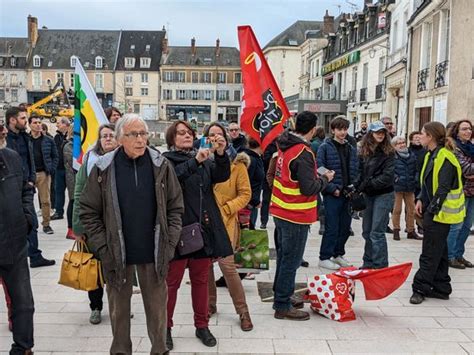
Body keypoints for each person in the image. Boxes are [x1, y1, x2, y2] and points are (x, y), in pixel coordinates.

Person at [79, 114, 184, 354]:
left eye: (143, 134)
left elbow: (176, 207)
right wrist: (103, 248)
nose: (140, 140)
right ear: (118, 139)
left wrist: (169, 244)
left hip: (154, 251)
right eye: (133, 135)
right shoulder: (103, 168)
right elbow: (88, 210)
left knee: (158, 311)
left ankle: (159, 350)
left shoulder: (161, 165)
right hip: (116, 252)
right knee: (118, 312)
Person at [163, 120, 232, 349]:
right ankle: (165, 328)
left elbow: (221, 175)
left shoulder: (203, 159)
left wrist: (221, 154)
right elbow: (171, 180)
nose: (186, 136)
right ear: (172, 139)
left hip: (202, 231)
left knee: (201, 282)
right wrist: (195, 161)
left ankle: (202, 325)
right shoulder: (165, 161)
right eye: (181, 133)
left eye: (189, 133)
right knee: (171, 284)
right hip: (178, 233)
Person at [270, 111, 333, 321]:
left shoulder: (285, 145)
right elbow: (309, 188)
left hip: (280, 210)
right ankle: (282, 305)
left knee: (284, 258)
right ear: (313, 129)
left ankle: (282, 295)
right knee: (291, 260)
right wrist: (325, 178)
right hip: (295, 214)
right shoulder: (303, 152)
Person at [410, 122, 466, 304]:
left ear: (431, 137)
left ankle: (420, 287)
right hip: (434, 210)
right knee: (440, 250)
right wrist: (420, 198)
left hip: (440, 213)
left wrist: (431, 210)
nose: (420, 136)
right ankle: (442, 287)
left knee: (430, 252)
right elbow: (426, 182)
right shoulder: (431, 155)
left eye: (423, 133)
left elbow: (442, 188)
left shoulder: (445, 157)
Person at [206, 123, 254, 331]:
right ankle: (209, 305)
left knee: (228, 269)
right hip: (204, 223)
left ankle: (243, 311)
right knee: (205, 269)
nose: (216, 138)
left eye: (219, 135)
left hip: (225, 223)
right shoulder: (201, 161)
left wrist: (227, 209)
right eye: (211, 135)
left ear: (225, 138)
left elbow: (245, 194)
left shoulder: (237, 164)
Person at [73, 124, 118, 324]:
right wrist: (78, 227)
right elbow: (78, 194)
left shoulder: (125, 160)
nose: (108, 139)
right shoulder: (90, 162)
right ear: (99, 140)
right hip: (94, 225)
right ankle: (96, 307)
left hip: (118, 225)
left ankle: (119, 306)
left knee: (118, 267)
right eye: (104, 136)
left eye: (111, 136)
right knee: (94, 269)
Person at [0, 123, 35, 355]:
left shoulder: (10, 157)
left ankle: (22, 349)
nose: (3, 132)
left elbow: (25, 188)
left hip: (14, 241)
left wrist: (27, 218)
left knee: (24, 304)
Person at [6, 107, 55, 268]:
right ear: (12, 120)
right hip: (8, 189)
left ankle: (34, 256)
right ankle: (12, 259)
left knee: (31, 222)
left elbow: (30, 159)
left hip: (26, 187)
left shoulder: (25, 138)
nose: (25, 122)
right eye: (22, 118)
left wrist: (31, 179)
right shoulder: (5, 139)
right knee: (11, 225)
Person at [317, 116, 358, 270]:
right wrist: (331, 188)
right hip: (332, 193)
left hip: (348, 193)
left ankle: (338, 253)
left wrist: (354, 186)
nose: (343, 132)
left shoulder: (350, 147)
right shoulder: (325, 147)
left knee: (345, 227)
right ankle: (325, 256)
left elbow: (355, 168)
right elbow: (319, 168)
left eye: (345, 129)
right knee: (332, 226)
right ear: (333, 130)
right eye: (339, 129)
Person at [356, 121, 395, 269]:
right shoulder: (363, 151)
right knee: (367, 231)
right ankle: (368, 262)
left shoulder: (389, 152)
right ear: (370, 134)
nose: (380, 134)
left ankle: (380, 265)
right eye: (377, 131)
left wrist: (368, 184)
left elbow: (387, 176)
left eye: (383, 132)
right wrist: (357, 187)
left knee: (377, 232)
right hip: (368, 194)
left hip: (384, 194)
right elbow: (359, 172)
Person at [446, 120, 474, 269]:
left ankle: (458, 254)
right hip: (460, 191)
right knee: (456, 226)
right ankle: (449, 256)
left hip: (472, 191)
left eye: (470, 129)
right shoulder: (454, 147)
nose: (468, 131)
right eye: (464, 129)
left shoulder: (471, 147)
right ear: (457, 131)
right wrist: (470, 172)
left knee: (467, 226)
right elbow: (466, 169)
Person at [29, 115, 58, 235]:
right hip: (29, 174)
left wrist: (51, 169)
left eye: (39, 122)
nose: (38, 124)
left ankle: (46, 224)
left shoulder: (48, 140)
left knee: (45, 201)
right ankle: (30, 225)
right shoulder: (26, 139)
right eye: (35, 122)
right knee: (28, 201)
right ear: (29, 125)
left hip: (43, 174)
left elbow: (55, 156)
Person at [391, 136, 422, 241]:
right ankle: (396, 230)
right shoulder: (392, 156)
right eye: (399, 143)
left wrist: (416, 180)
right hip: (397, 186)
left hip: (410, 185)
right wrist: (395, 178)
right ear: (394, 146)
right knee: (397, 209)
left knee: (411, 209)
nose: (402, 145)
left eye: (403, 142)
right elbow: (390, 170)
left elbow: (416, 170)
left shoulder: (411, 155)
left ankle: (411, 230)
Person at [243, 137, 265, 230]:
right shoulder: (252, 160)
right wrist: (254, 201)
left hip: (252, 202)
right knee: (248, 232)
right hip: (249, 203)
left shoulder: (257, 158)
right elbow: (247, 182)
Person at [51, 117, 70, 220]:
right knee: (59, 191)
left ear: (65, 124)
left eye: (58, 123)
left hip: (70, 169)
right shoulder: (56, 137)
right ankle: (59, 212)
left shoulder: (73, 136)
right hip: (59, 169)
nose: (57, 125)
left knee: (73, 192)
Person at [409, 131, 427, 234]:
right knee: (410, 206)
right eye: (415, 138)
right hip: (410, 181)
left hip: (421, 181)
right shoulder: (407, 151)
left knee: (421, 204)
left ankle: (420, 225)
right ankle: (410, 227)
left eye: (419, 137)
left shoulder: (425, 152)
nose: (417, 139)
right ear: (411, 140)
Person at [63, 126, 77, 240]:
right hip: (73, 178)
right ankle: (70, 229)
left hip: (79, 177)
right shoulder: (69, 145)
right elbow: (74, 162)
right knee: (73, 201)